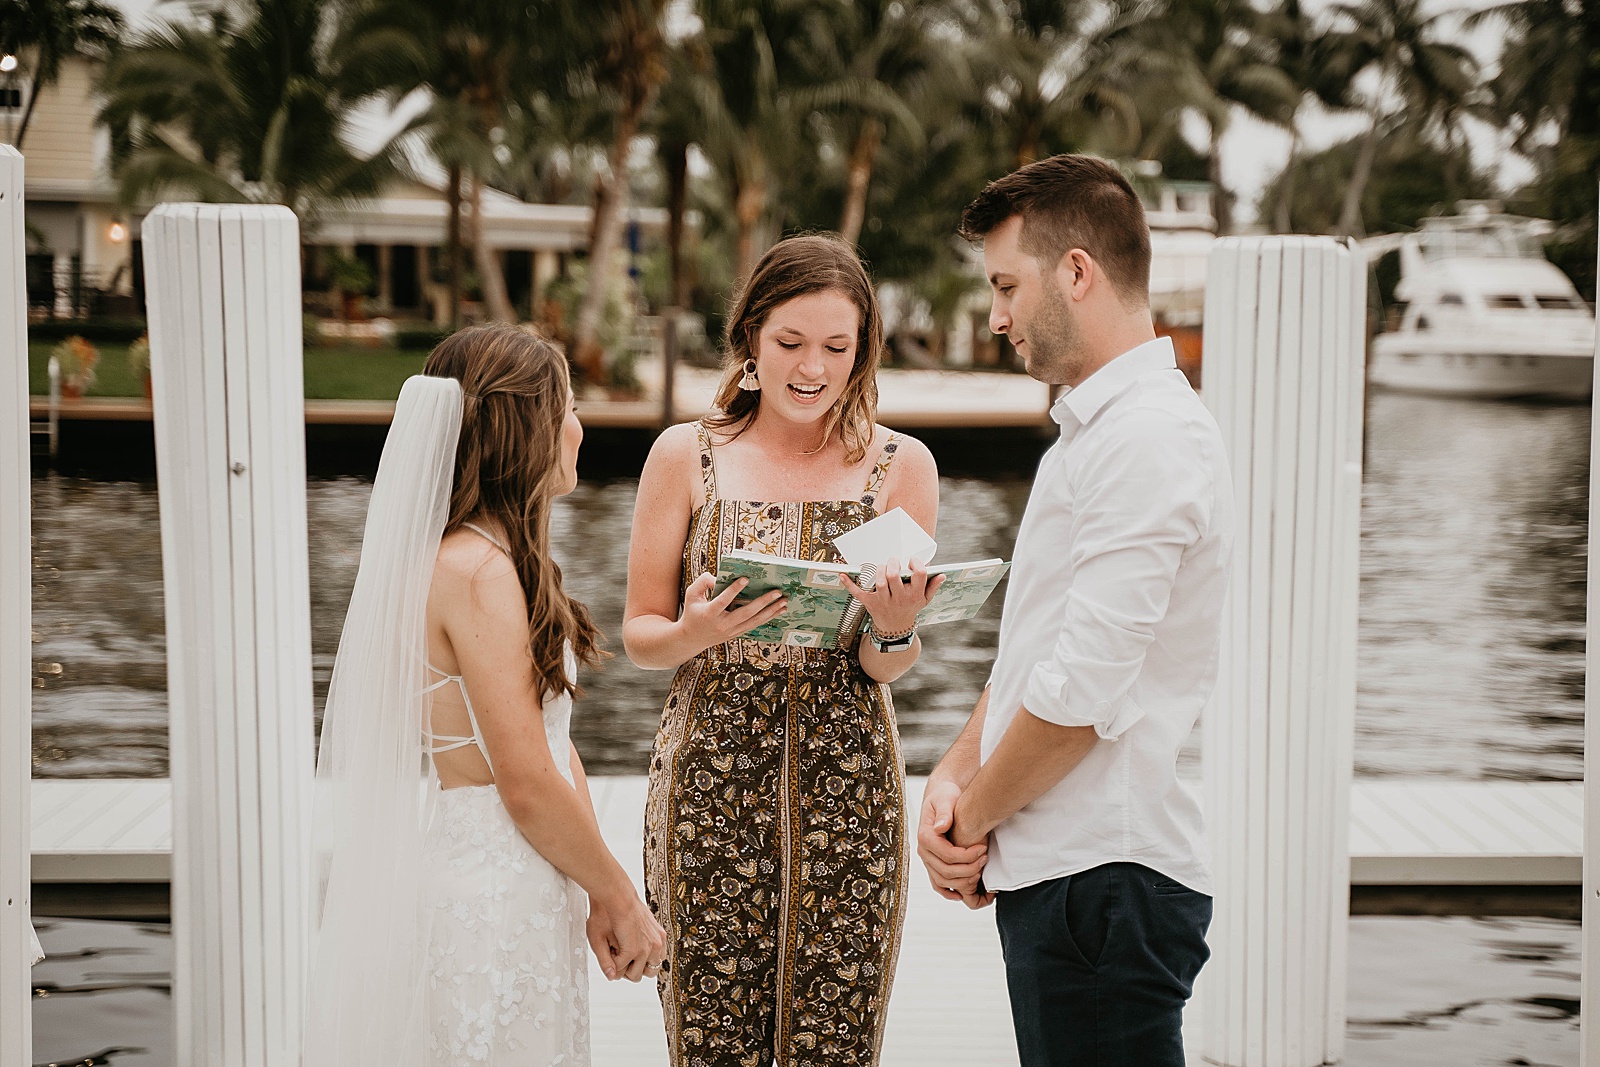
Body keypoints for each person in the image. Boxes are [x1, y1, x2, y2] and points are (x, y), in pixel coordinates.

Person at [917, 155, 1234, 1066]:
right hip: (1072, 871)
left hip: (1106, 876)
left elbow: (1083, 689)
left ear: (1078, 272)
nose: (997, 315)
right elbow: (1040, 650)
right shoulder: (1097, 433)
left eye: (1007, 285)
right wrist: (957, 768)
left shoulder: (1148, 438)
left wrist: (968, 820)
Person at [304, 324, 665, 1067]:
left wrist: (587, 885)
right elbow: (526, 781)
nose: (578, 425)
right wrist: (620, 894)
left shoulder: (489, 557)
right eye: (566, 405)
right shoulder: (477, 572)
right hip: (494, 894)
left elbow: (554, 750)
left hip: (525, 877)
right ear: (523, 427)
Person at [624, 234, 943, 1065]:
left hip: (852, 790)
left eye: (836, 347)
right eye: (790, 343)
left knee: (836, 1046)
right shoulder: (685, 456)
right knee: (711, 1044)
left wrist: (895, 625)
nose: (812, 367)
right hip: (708, 789)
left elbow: (886, 665)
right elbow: (641, 635)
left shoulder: (904, 466)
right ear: (750, 342)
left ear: (862, 350)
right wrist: (693, 633)